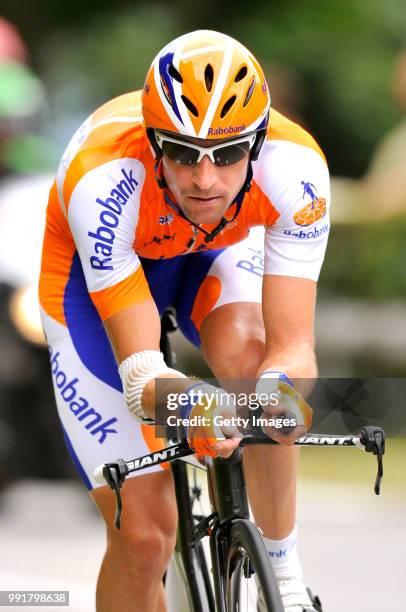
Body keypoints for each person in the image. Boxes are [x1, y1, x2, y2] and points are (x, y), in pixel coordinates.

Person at [39, 30, 330, 611]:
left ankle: (284, 574)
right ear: (152, 143)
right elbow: (142, 374)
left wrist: (270, 398)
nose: (204, 179)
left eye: (227, 154)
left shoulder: (296, 170)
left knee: (254, 364)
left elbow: (295, 348)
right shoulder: (104, 179)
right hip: (93, 282)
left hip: (209, 258)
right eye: (180, 152)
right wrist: (196, 405)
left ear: (259, 142)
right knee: (144, 538)